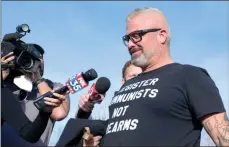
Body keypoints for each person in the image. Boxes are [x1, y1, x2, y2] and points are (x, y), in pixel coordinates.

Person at [87, 7, 228, 146]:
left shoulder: (189, 76)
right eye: (128, 38)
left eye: (137, 36)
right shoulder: (127, 85)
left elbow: (222, 137)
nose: (130, 44)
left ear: (161, 35)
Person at [1, 41, 70, 146]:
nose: (37, 63)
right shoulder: (6, 84)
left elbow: (59, 113)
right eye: (29, 58)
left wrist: (37, 79)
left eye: (40, 60)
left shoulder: (54, 86)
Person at [80, 60, 142, 146]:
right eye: (133, 76)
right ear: (123, 82)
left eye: (141, 76)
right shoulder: (110, 115)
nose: (138, 79)